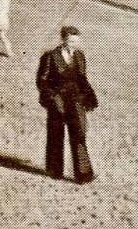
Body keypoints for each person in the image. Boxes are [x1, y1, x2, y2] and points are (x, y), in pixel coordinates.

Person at [36, 26, 98, 184]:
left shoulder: (80, 56)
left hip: (76, 99)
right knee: (56, 135)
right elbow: (42, 80)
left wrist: (88, 96)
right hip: (57, 99)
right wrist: (52, 97)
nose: (74, 45)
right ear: (63, 40)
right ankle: (54, 170)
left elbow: (82, 78)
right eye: (71, 41)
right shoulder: (50, 56)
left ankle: (83, 174)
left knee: (79, 133)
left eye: (76, 41)